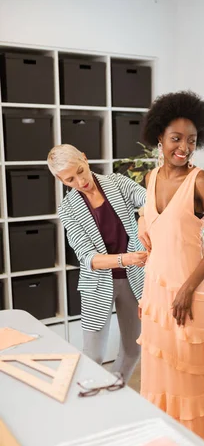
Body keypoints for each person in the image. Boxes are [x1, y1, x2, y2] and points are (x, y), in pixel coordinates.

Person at [138, 91, 204, 446]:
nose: (184, 148)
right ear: (159, 137)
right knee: (160, 377)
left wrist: (188, 288)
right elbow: (156, 232)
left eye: (191, 141)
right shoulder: (150, 178)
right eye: (176, 139)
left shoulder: (201, 181)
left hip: (188, 293)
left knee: (191, 382)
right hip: (156, 294)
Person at [47, 144, 148, 382]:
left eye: (80, 171)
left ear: (85, 157)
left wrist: (145, 213)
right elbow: (87, 257)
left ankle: (115, 388)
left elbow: (149, 199)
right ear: (60, 179)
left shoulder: (117, 183)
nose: (80, 181)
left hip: (133, 279)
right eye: (69, 179)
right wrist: (126, 259)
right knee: (93, 355)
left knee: (134, 348)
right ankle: (89, 399)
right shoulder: (68, 209)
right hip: (98, 284)